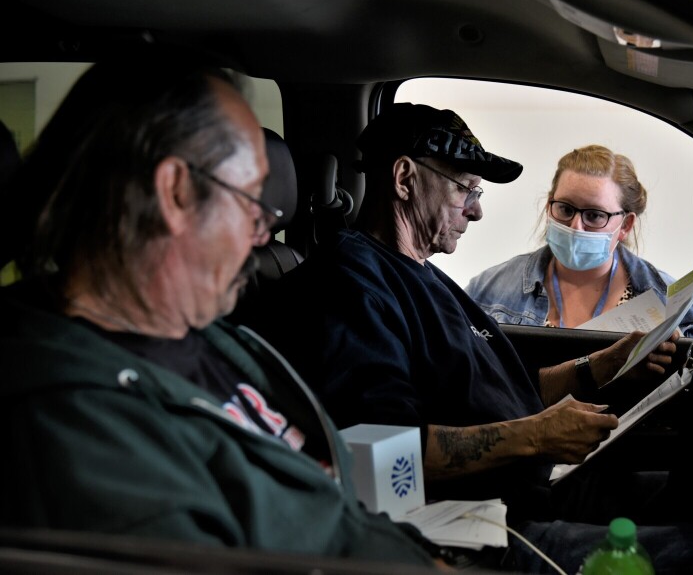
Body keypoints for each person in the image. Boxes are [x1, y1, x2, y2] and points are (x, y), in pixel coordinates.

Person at [256, 103, 693, 574]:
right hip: (474, 524)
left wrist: (600, 367)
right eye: (464, 189)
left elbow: (493, 388)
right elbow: (378, 457)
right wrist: (535, 436)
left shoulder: (426, 275)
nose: (476, 209)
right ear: (404, 178)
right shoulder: (352, 288)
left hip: (532, 487)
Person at [0, 57, 447, 570]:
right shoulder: (74, 426)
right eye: (253, 205)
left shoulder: (202, 334)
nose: (264, 235)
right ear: (177, 193)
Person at [465, 144, 693, 338]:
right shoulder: (487, 291)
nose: (575, 226)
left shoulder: (673, 303)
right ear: (549, 205)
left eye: (594, 215)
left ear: (626, 225)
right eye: (565, 209)